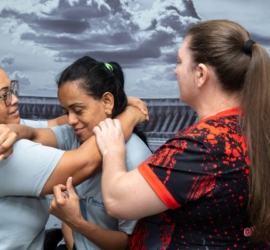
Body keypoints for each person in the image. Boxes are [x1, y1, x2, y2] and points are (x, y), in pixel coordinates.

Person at [0, 60, 147, 250]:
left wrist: (116, 104)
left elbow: (56, 123)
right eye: (4, 95)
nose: (14, 99)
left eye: (12, 88)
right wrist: (130, 114)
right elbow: (87, 162)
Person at [92, 19, 270, 249]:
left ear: (200, 74)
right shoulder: (250, 129)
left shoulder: (203, 146)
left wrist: (113, 148)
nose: (175, 70)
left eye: (179, 61)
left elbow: (117, 201)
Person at [48, 56, 152, 250]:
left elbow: (130, 242)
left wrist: (76, 222)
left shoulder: (135, 159)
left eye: (78, 110)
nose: (70, 121)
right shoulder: (76, 137)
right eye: (66, 111)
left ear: (106, 101)